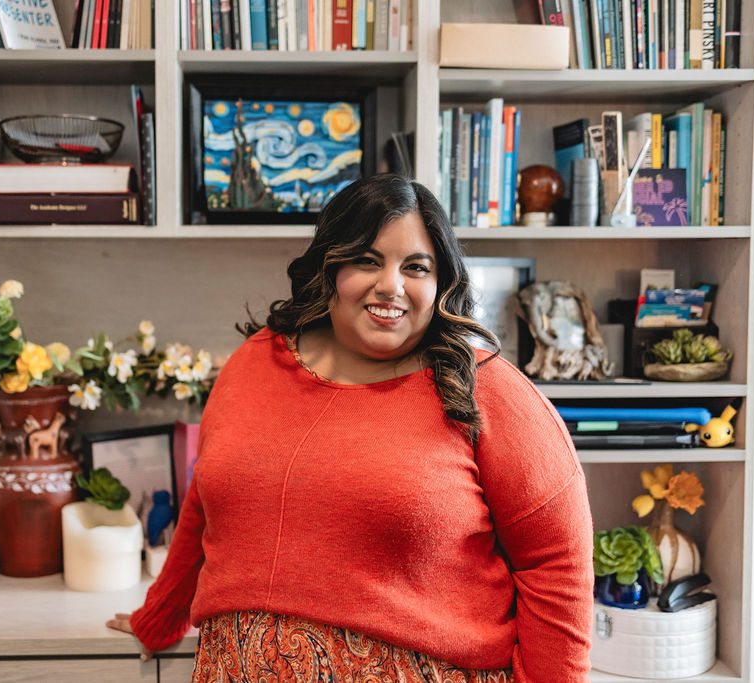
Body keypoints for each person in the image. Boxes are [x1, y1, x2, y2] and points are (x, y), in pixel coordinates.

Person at [107, 174, 594, 681]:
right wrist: (160, 617)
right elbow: (206, 507)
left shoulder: (488, 391)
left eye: (416, 267)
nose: (391, 285)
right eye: (367, 259)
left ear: (441, 282)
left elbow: (557, 568)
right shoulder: (253, 363)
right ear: (330, 264)